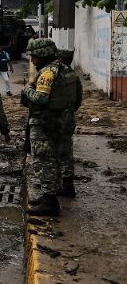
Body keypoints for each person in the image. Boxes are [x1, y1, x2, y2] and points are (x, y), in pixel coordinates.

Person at [22, 38, 77, 216]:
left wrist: (27, 90)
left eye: (34, 57)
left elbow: (40, 98)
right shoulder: (66, 69)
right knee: (56, 157)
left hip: (44, 122)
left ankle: (49, 202)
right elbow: (78, 98)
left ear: (43, 54)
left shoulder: (47, 72)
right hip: (61, 120)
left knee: (44, 160)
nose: (32, 61)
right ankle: (49, 195)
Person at [56, 50, 82, 198]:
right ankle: (67, 184)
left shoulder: (58, 76)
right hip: (69, 119)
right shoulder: (74, 76)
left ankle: (59, 184)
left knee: (55, 152)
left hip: (58, 119)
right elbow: (79, 99)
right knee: (66, 151)